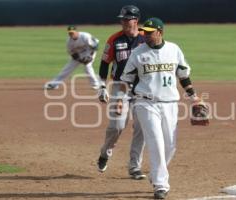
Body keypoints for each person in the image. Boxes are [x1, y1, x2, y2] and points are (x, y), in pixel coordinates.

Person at [118, 17, 200, 199]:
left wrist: (194, 98)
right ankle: (161, 185)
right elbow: (126, 80)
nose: (145, 35)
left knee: (170, 145)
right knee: (155, 141)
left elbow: (183, 76)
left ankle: (156, 175)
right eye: (144, 32)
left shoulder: (174, 49)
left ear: (160, 32)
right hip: (145, 103)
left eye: (149, 32)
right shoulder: (138, 53)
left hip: (170, 103)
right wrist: (121, 100)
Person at [96, 5, 146, 180]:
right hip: (120, 87)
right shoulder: (114, 40)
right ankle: (105, 151)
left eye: (127, 19)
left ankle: (135, 166)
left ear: (136, 20)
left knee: (141, 127)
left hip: (142, 88)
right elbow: (104, 64)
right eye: (122, 19)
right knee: (116, 126)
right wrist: (102, 87)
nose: (124, 22)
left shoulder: (145, 39)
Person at [44, 25, 100, 90]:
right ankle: (54, 84)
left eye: (72, 33)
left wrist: (89, 57)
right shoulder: (69, 41)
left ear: (76, 32)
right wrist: (79, 59)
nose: (71, 34)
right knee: (67, 68)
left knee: (87, 66)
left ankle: (96, 84)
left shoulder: (85, 36)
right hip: (79, 54)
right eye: (70, 33)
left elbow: (95, 46)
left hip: (89, 51)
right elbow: (72, 53)